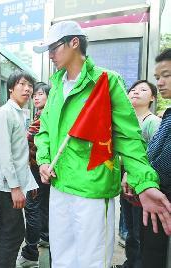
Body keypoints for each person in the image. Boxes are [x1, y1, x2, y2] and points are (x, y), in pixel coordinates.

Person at [33, 21, 171, 268]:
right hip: (58, 186)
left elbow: (128, 137)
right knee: (62, 258)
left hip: (93, 189)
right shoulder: (55, 88)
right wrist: (44, 160)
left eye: (54, 48)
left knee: (92, 262)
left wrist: (145, 182)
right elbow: (44, 131)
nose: (51, 55)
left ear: (74, 43)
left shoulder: (106, 81)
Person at [0, 70, 38, 268]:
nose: (27, 89)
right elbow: (5, 154)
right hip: (2, 185)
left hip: (8, 183)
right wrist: (15, 188)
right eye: (22, 84)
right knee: (12, 230)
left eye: (30, 86)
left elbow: (20, 153)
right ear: (11, 88)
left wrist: (29, 182)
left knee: (11, 229)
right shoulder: (4, 113)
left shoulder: (19, 113)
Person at [118, 80, 161, 268]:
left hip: (142, 184)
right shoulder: (125, 122)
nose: (135, 92)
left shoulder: (152, 122)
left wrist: (131, 173)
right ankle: (130, 262)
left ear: (152, 98)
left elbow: (156, 155)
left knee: (138, 230)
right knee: (129, 228)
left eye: (143, 90)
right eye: (133, 90)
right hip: (125, 181)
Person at [141, 48, 171, 268]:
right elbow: (152, 151)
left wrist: (142, 177)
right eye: (158, 77)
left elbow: (163, 161)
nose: (160, 82)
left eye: (167, 75)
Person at [16, 82, 51, 267]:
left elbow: (27, 139)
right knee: (43, 205)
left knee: (32, 208)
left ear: (49, 97)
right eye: (35, 95)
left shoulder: (43, 117)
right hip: (43, 169)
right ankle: (44, 237)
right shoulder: (42, 114)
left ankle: (30, 254)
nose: (36, 97)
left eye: (40, 94)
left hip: (38, 169)